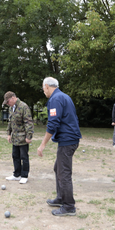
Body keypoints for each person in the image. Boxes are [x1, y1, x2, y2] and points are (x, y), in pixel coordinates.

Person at [37, 77, 82, 216]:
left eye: (43, 88)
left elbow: (53, 123)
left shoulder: (56, 99)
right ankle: (61, 198)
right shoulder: (64, 96)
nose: (43, 91)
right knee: (58, 168)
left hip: (68, 140)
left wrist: (42, 144)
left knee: (64, 173)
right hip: (69, 138)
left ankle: (69, 206)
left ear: (46, 86)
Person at [3, 91, 34, 184]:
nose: (7, 104)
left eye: (8, 101)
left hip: (23, 138)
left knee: (24, 157)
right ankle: (17, 174)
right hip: (15, 137)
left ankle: (24, 175)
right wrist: (9, 134)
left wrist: (29, 136)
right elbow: (10, 122)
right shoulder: (11, 108)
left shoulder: (23, 107)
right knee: (15, 156)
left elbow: (28, 122)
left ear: (13, 98)